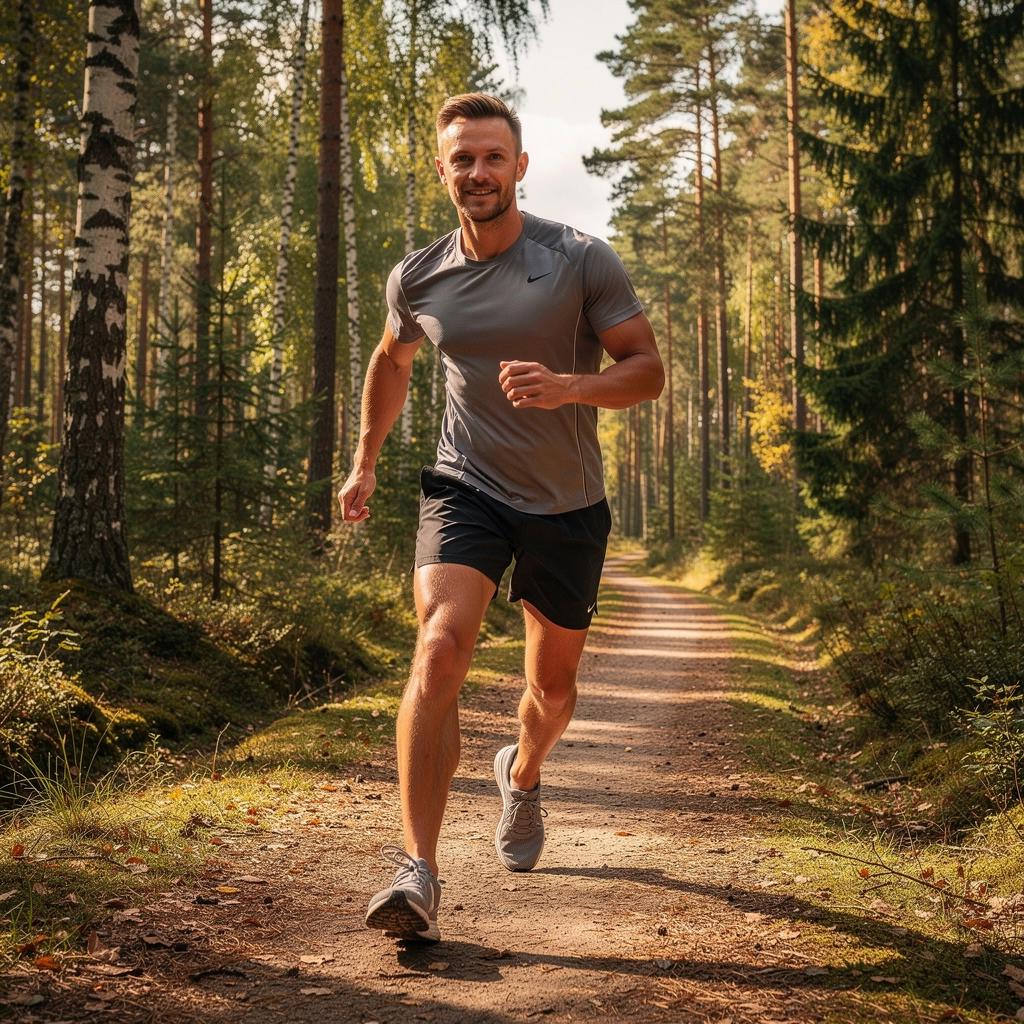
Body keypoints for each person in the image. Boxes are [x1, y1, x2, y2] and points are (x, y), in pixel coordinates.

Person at [337, 93, 663, 943]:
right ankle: (417, 870)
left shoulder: (580, 259)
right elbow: (391, 357)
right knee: (441, 643)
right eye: (461, 159)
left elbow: (646, 370)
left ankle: (521, 773)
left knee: (550, 692)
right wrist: (365, 459)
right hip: (464, 485)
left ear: (519, 167)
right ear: (441, 170)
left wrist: (572, 388)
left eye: (492, 157)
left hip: (566, 501)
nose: (476, 172)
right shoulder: (418, 275)